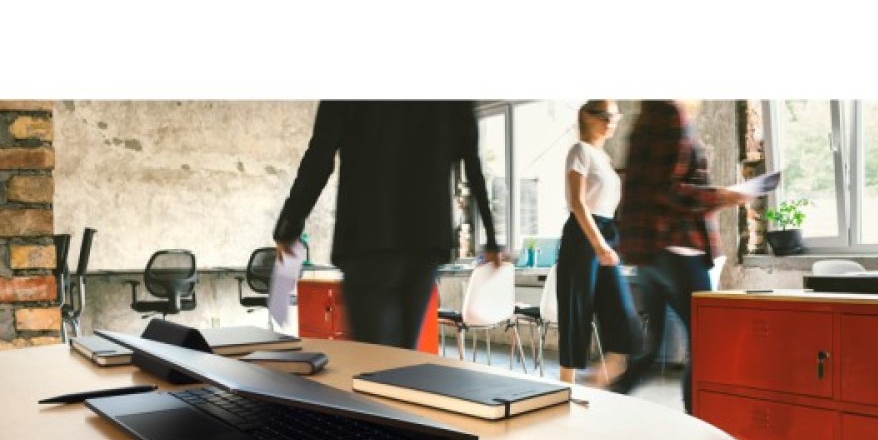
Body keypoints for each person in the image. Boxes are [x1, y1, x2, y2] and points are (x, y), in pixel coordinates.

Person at [273, 100, 501, 349]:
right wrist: (491, 239)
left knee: (373, 356)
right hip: (425, 238)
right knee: (405, 354)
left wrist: (289, 227)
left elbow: (320, 156)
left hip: (367, 236)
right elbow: (471, 162)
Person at [618, 100, 756, 413]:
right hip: (678, 248)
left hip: (649, 252)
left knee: (653, 347)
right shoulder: (671, 115)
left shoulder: (646, 120)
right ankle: (698, 420)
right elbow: (668, 190)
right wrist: (721, 196)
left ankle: (608, 401)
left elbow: (647, 188)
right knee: (706, 339)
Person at [555, 99, 644, 391]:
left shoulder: (604, 158)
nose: (610, 122)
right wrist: (599, 244)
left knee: (621, 310)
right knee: (576, 310)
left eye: (615, 117)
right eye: (604, 116)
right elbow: (578, 203)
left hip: (607, 233)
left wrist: (610, 243)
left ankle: (598, 380)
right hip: (583, 235)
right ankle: (566, 388)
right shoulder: (580, 151)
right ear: (587, 116)